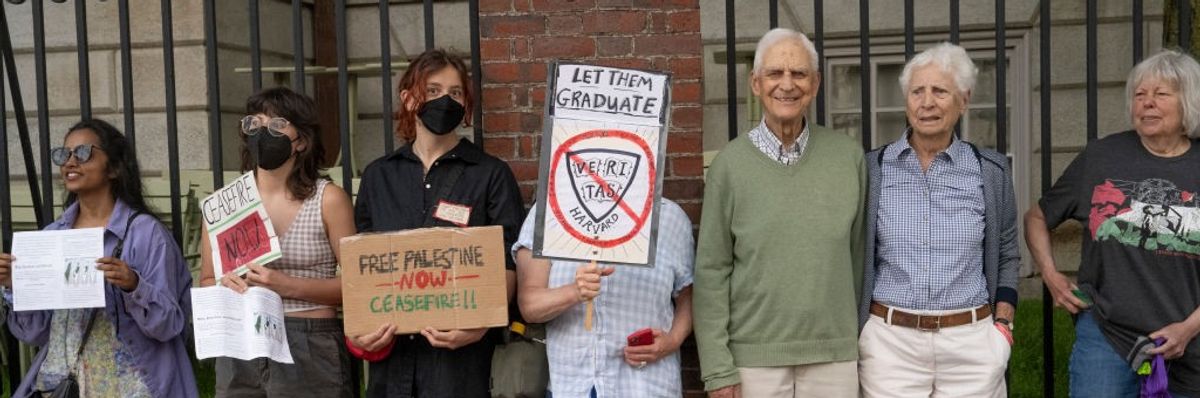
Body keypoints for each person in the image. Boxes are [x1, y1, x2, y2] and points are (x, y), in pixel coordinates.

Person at [694, 27, 866, 398]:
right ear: (756, 83)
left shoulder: (848, 158)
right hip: (752, 362)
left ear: (816, 83)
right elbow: (711, 271)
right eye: (775, 73)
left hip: (833, 359)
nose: (786, 84)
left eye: (799, 73)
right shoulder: (729, 166)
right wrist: (717, 369)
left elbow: (859, 259)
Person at [346, 48, 525, 397]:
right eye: (433, 90)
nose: (446, 100)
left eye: (455, 93)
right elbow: (361, 267)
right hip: (392, 365)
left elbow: (508, 261)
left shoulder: (491, 175)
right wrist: (360, 332)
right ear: (409, 98)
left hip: (460, 367)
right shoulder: (378, 175)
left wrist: (479, 325)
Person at [1026, 49, 1200, 398]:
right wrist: (1050, 275)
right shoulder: (1102, 156)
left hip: (1189, 339)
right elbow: (1038, 217)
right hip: (1106, 334)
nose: (1147, 103)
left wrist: (1188, 329)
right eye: (1139, 94)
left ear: (1189, 100)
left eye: (1160, 94)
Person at [856, 43, 1019, 398]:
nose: (926, 102)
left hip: (971, 344)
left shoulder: (989, 171)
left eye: (939, 91)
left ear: (963, 100)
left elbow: (1007, 252)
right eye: (917, 91)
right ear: (906, 100)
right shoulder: (873, 169)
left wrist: (1003, 324)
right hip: (890, 344)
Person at [0, 119, 197, 397]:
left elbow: (169, 326)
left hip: (131, 384)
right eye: (63, 154)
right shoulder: (52, 235)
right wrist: (14, 286)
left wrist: (134, 285)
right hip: (65, 382)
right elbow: (36, 333)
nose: (70, 162)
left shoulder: (146, 234)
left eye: (83, 153)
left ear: (115, 168)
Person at [198, 87, 357, 397]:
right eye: (254, 125)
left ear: (301, 141)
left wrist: (285, 285)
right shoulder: (224, 204)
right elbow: (206, 279)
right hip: (241, 339)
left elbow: (357, 284)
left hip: (308, 341)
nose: (262, 133)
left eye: (276, 125)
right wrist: (223, 286)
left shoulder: (328, 199)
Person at [513, 198, 694, 397]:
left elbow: (689, 297)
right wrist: (574, 292)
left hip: (646, 385)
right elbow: (530, 306)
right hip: (572, 385)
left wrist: (673, 340)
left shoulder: (670, 217)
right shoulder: (550, 211)